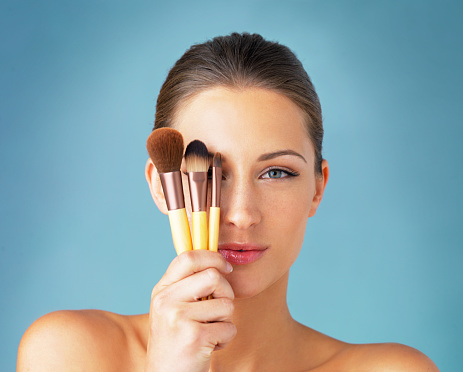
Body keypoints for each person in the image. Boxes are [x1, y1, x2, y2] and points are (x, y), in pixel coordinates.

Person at [17, 32, 439, 372]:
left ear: (317, 187)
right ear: (162, 186)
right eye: (211, 175)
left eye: (277, 173)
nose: (240, 214)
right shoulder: (68, 354)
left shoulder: (393, 369)